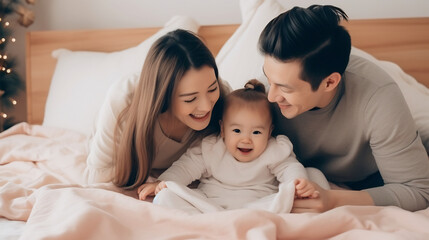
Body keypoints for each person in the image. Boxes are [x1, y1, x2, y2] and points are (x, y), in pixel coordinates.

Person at [258, 5, 429, 212]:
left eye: (285, 88)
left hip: (371, 180)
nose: (271, 96)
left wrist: (333, 200)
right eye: (269, 78)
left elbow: (418, 191)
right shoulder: (259, 95)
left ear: (329, 82)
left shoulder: (377, 96)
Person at [138, 80, 326, 213]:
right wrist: (161, 182)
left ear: (270, 132)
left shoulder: (274, 150)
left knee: (313, 177)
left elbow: (290, 168)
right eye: (236, 131)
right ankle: (212, 225)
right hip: (209, 207)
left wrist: (299, 183)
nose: (246, 140)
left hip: (260, 207)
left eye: (256, 132)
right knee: (166, 195)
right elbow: (185, 168)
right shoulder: (211, 148)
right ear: (222, 129)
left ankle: (237, 224)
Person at [85, 29, 229, 190]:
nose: (207, 106)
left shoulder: (222, 97)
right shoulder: (124, 101)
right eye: (190, 98)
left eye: (211, 89)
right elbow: (96, 177)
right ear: (164, 95)